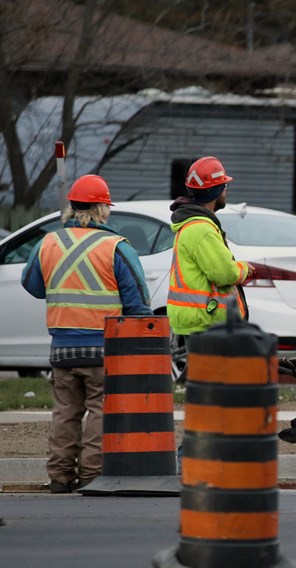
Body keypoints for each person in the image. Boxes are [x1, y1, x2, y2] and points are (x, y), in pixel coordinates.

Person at [21, 174, 152, 494]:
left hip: (62, 349)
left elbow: (32, 285)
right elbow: (138, 303)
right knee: (100, 409)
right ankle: (92, 474)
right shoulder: (116, 246)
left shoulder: (49, 242)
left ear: (72, 208)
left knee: (65, 412)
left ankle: (60, 477)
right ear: (101, 209)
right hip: (102, 348)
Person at [167, 155, 252, 338]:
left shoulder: (193, 225)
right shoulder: (202, 229)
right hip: (205, 322)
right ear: (217, 191)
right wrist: (244, 269)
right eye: (224, 186)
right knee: (211, 368)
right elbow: (224, 273)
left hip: (198, 320)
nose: (226, 192)